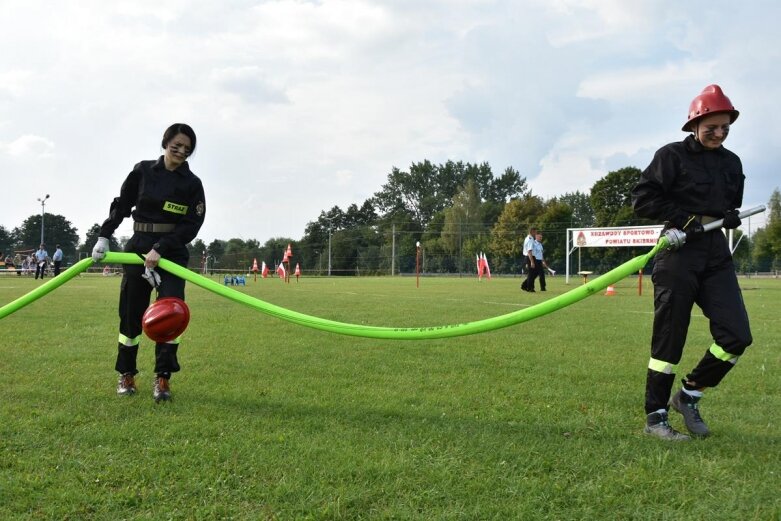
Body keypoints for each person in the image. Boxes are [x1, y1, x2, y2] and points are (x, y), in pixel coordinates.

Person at [631, 84, 751, 441]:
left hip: (715, 253)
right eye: (711, 127)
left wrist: (727, 216)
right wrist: (685, 221)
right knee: (669, 342)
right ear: (694, 125)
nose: (719, 133)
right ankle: (656, 418)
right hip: (679, 252)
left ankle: (689, 395)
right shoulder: (671, 157)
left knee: (736, 336)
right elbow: (643, 200)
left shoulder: (732, 163)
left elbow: (728, 202)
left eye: (725, 127)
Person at [91, 123, 206, 402]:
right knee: (130, 315)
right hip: (137, 250)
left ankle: (163, 379)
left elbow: (193, 223)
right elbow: (122, 205)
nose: (180, 151)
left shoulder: (192, 184)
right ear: (165, 143)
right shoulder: (142, 171)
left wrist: (161, 248)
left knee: (172, 316)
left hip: (172, 254)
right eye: (176, 145)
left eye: (187, 149)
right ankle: (126, 373)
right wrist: (104, 235)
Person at [520, 226, 538, 292]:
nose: (536, 233)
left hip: (530, 257)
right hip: (530, 257)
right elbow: (529, 251)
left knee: (535, 272)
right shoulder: (530, 239)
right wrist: (532, 262)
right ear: (532, 231)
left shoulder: (528, 238)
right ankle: (529, 288)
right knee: (532, 273)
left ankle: (525, 285)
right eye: (535, 232)